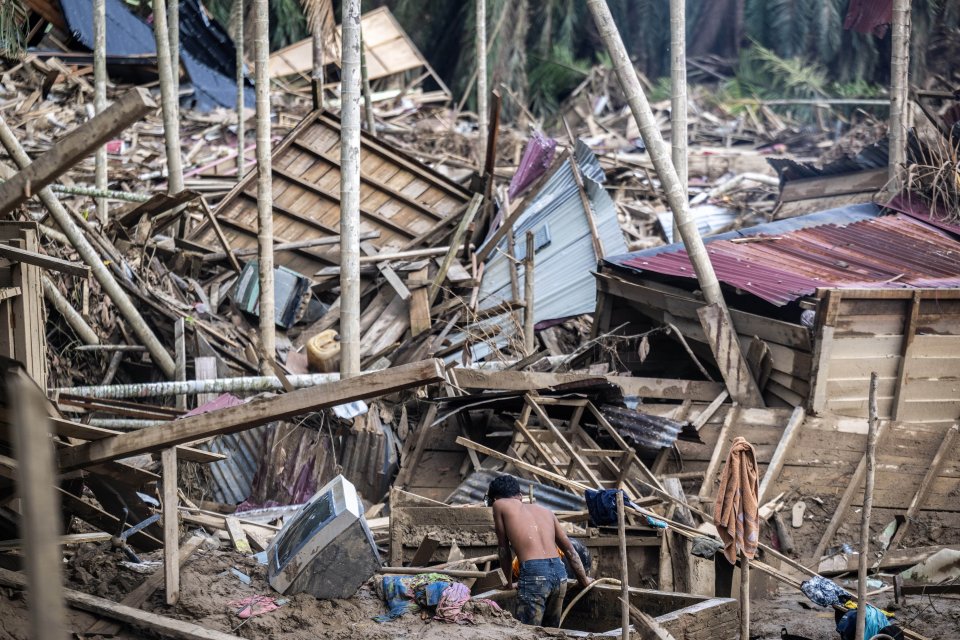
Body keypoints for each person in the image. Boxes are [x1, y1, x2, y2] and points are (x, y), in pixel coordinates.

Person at [487, 474, 593, 627]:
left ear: (495, 498)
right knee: (551, 632)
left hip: (534, 575)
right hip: (560, 574)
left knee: (527, 633)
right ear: (520, 496)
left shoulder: (499, 505)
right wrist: (583, 580)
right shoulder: (546, 511)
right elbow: (570, 551)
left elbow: (503, 549)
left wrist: (509, 583)